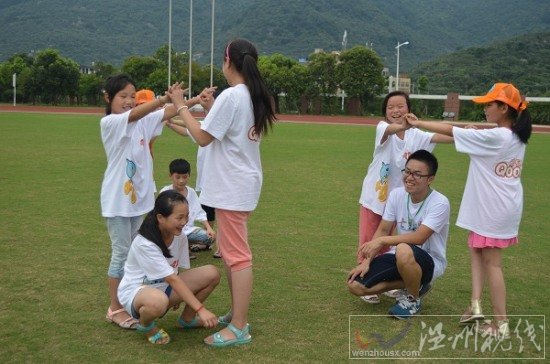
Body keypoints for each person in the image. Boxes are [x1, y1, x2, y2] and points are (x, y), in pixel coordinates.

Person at [166, 38, 276, 347]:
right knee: (230, 256)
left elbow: (202, 137)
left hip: (233, 187)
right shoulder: (251, 95)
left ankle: (240, 326)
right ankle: (237, 316)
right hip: (239, 184)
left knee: (237, 257)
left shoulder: (234, 96)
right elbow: (225, 131)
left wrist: (179, 104)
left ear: (228, 62)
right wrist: (208, 107)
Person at [404, 83, 532, 338]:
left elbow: (452, 130)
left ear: (504, 108)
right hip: (495, 206)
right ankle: (474, 305)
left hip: (494, 208)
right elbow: (475, 138)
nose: (485, 109)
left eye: (489, 104)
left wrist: (419, 122)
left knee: (492, 264)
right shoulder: (511, 135)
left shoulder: (499, 136)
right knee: (476, 250)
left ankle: (501, 325)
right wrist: (473, 132)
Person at [100, 74, 198, 329]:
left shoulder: (142, 121)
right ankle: (115, 308)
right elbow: (136, 114)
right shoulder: (111, 122)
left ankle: (136, 296)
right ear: (108, 98)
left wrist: (191, 99)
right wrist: (164, 98)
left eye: (132, 96)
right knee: (121, 254)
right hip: (118, 203)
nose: (129, 101)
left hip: (138, 204)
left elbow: (166, 113)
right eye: (123, 96)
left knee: (136, 253)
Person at [357, 91, 453, 304]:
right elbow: (393, 128)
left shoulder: (417, 135)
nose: (396, 111)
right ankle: (367, 276)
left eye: (400, 106)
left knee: (393, 244)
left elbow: (444, 137)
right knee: (370, 239)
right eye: (391, 107)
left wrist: (466, 134)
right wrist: (405, 125)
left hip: (400, 200)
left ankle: (396, 279)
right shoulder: (383, 128)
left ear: (409, 109)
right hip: (375, 197)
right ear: (385, 112)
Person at [348, 150, 450, 319]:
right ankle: (415, 284)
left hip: (430, 260)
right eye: (407, 171)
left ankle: (412, 300)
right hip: (400, 257)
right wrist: (366, 261)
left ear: (430, 179)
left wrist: (382, 241)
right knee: (355, 285)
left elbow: (419, 238)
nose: (409, 177)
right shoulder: (396, 194)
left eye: (417, 174)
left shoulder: (440, 202)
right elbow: (382, 229)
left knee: (403, 248)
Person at [118, 190, 220, 345]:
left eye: (186, 216)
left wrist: (180, 295)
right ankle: (146, 326)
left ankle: (187, 319)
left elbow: (176, 270)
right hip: (137, 293)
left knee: (212, 273)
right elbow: (172, 279)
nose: (184, 221)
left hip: (165, 288)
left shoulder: (180, 236)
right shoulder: (145, 243)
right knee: (158, 302)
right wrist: (201, 309)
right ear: (160, 218)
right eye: (179, 217)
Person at [159, 158, 216, 253]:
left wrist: (209, 228)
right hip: (170, 230)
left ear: (189, 176)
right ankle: (179, 247)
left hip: (187, 230)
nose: (181, 181)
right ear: (170, 176)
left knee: (210, 237)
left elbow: (199, 213)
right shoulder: (165, 192)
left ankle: (185, 245)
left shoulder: (191, 192)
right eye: (178, 177)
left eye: (184, 177)